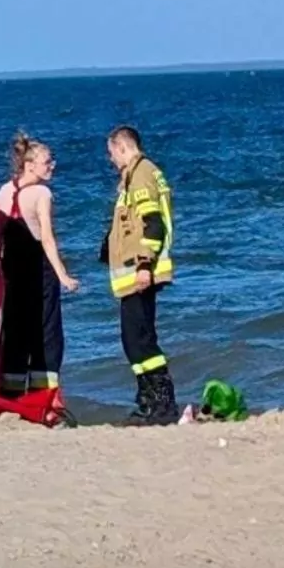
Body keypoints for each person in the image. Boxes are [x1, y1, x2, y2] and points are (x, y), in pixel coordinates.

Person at [99, 124, 178, 424]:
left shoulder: (142, 174)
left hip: (141, 273)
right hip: (133, 273)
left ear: (122, 147)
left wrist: (144, 264)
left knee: (139, 340)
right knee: (134, 339)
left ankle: (160, 403)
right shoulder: (134, 176)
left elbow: (153, 223)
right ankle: (149, 401)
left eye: (112, 153)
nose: (111, 160)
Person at [0, 133, 80, 402]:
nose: (52, 166)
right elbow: (47, 238)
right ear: (29, 165)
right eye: (46, 162)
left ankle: (13, 391)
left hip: (11, 270)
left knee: (16, 328)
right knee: (47, 329)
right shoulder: (42, 193)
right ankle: (46, 394)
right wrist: (63, 274)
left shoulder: (4, 191)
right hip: (38, 270)